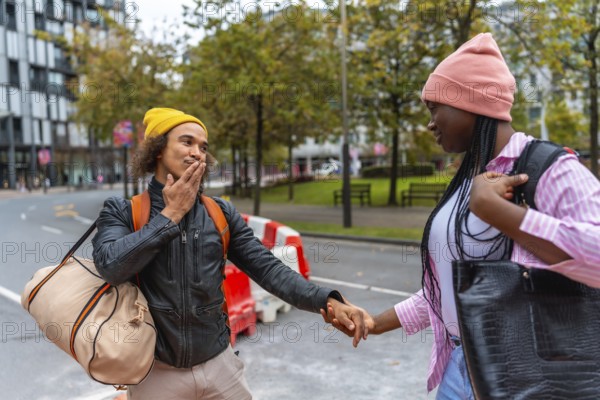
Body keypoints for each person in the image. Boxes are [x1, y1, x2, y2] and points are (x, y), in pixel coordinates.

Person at [322, 32, 600, 398]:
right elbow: (449, 290)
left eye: (434, 108)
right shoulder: (469, 179)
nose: (430, 123)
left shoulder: (547, 168)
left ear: (472, 102)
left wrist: (500, 214)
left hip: (528, 376)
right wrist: (375, 323)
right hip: (461, 367)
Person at [92, 107, 367, 400]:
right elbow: (110, 266)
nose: (197, 153)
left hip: (220, 366)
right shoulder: (122, 211)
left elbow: (268, 268)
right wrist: (170, 216)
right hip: (156, 372)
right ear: (158, 149)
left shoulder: (220, 213)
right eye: (187, 142)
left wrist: (327, 300)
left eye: (203, 147)